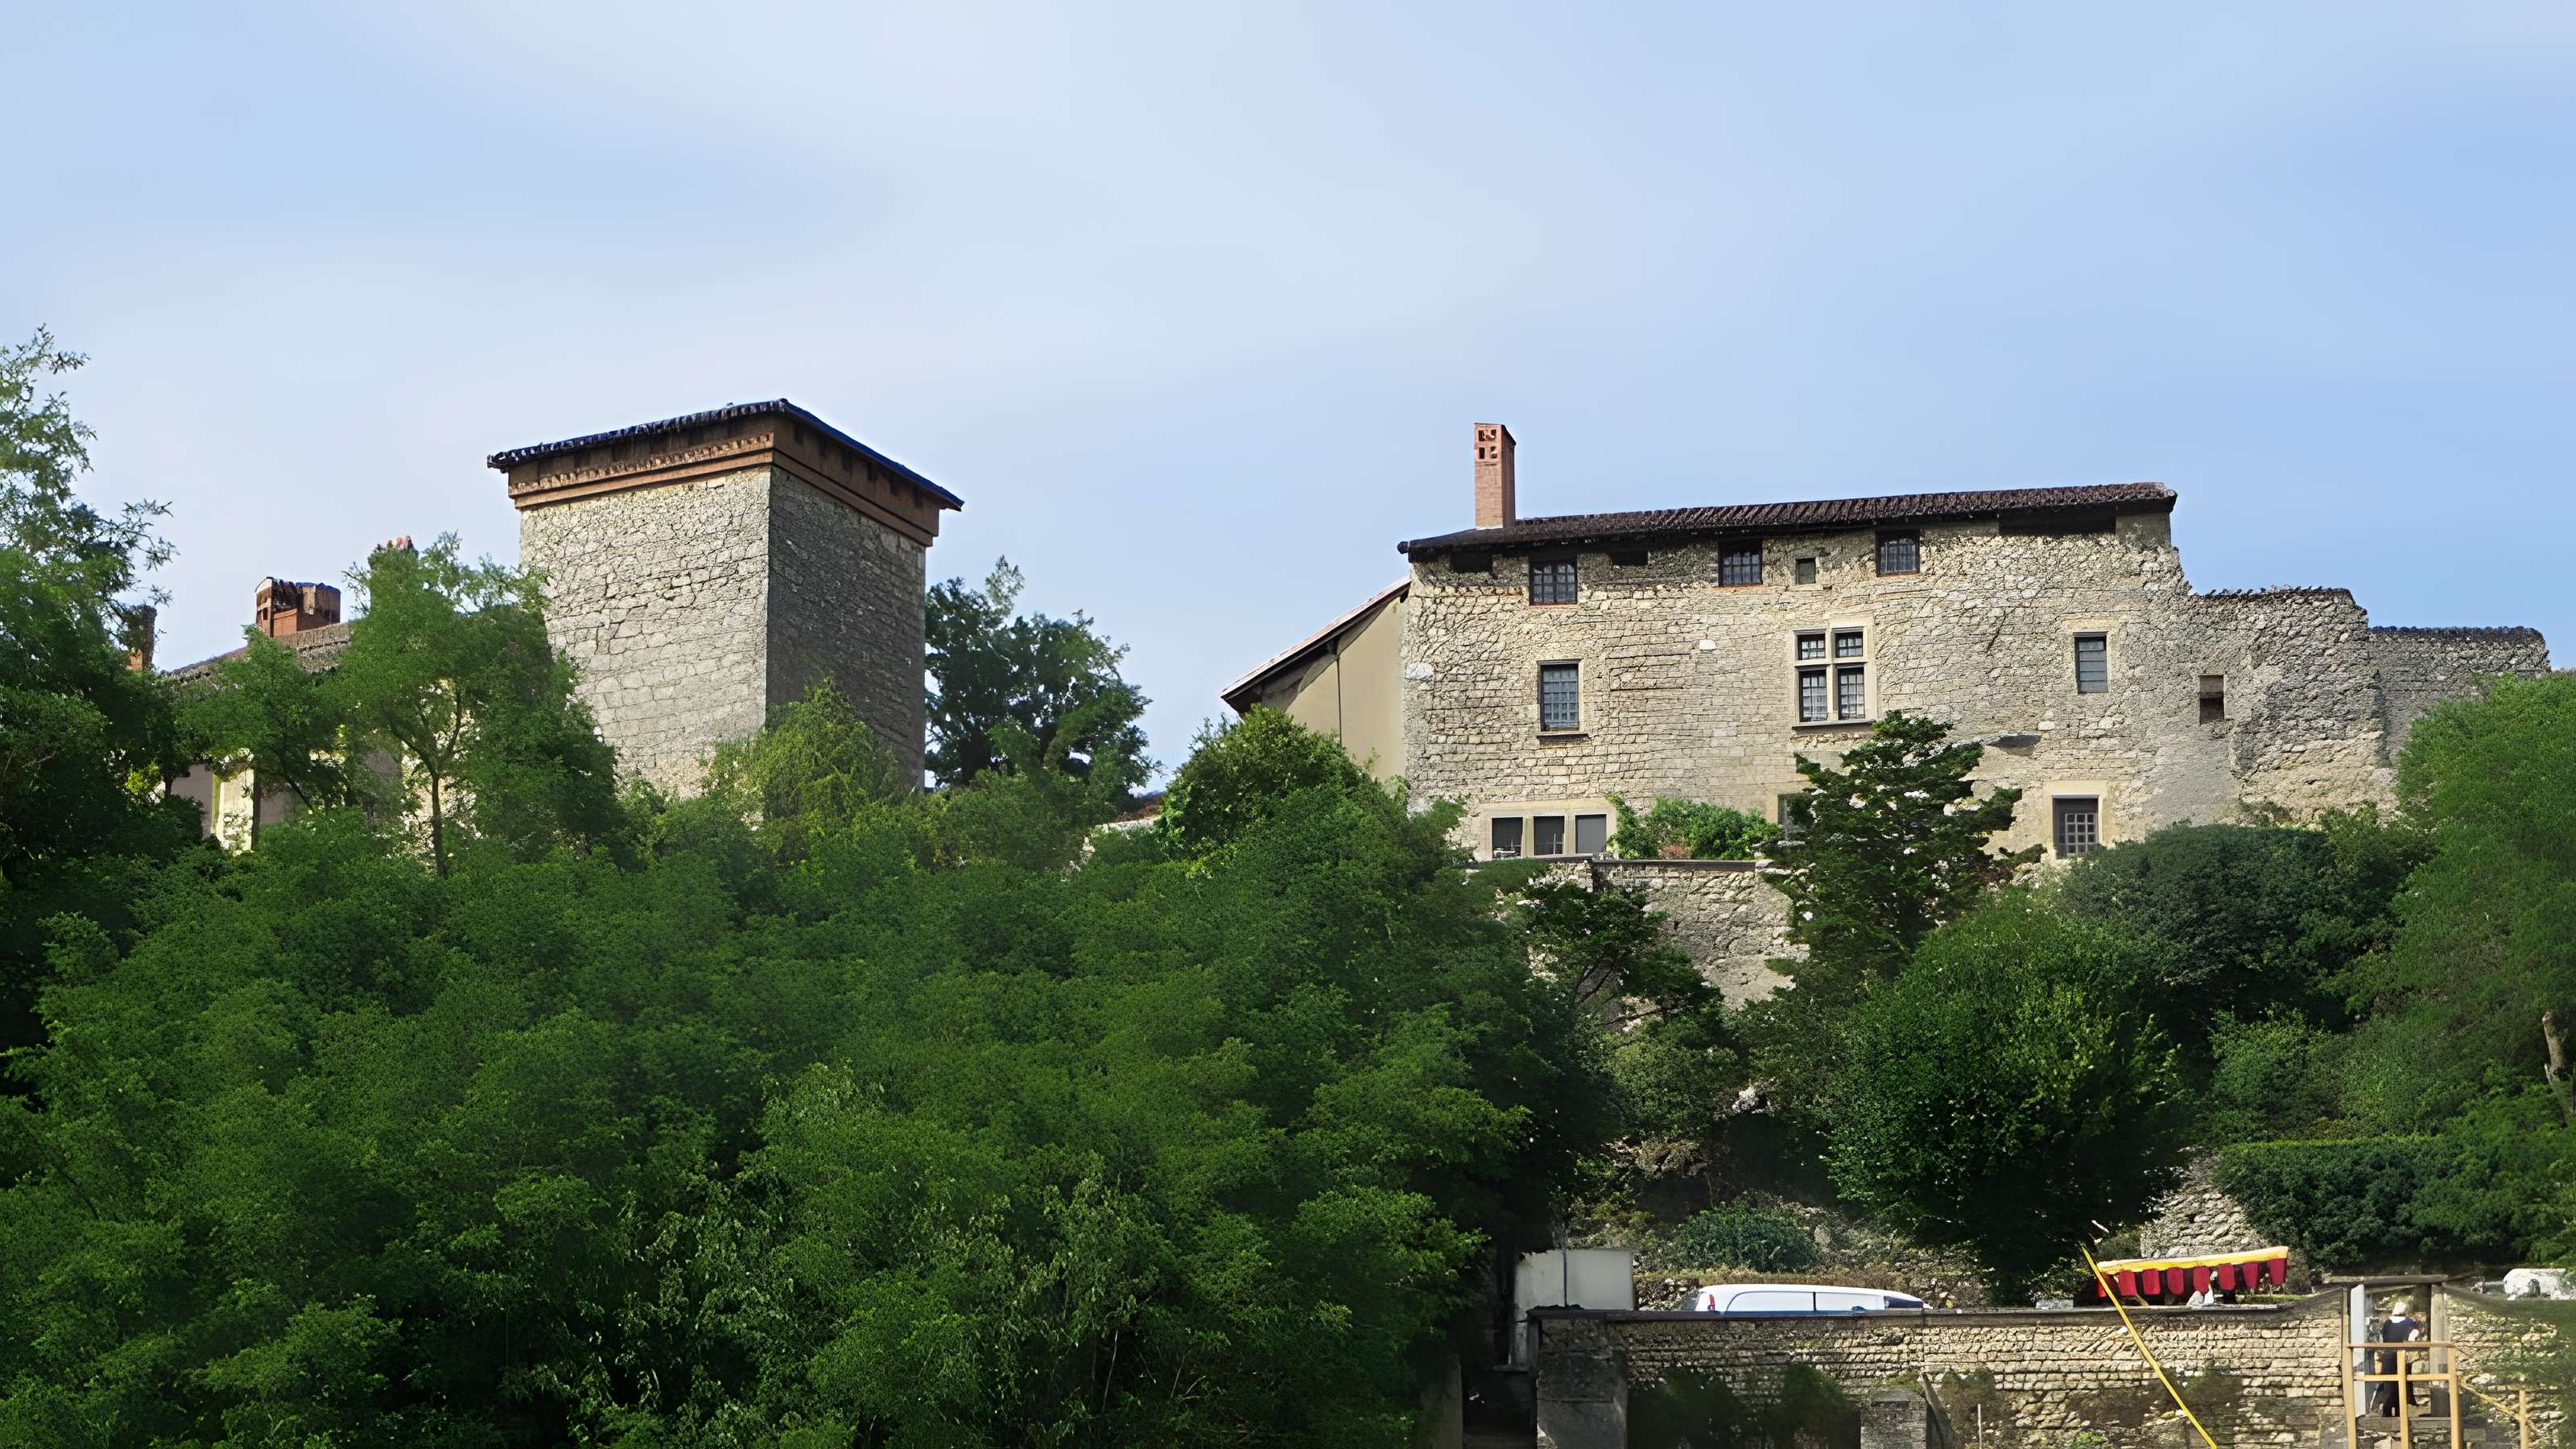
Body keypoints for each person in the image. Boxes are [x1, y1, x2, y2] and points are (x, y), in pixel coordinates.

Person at [2370, 1298, 2425, 1416]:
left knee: (2389, 1385)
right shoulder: (2410, 1323)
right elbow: (2412, 1338)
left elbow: (2384, 1339)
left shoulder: (2387, 1323)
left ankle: (2386, 1412)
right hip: (2402, 1357)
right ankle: (2400, 1413)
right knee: (2402, 1385)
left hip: (2388, 1357)